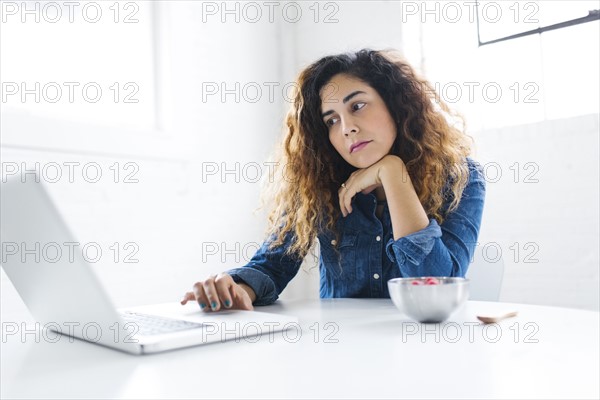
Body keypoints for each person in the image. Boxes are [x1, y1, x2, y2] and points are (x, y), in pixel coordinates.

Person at [181, 48, 486, 312]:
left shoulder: (460, 178)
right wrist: (235, 290)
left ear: (395, 105)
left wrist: (393, 173)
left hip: (427, 348)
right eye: (332, 120)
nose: (347, 128)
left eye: (357, 106)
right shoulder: (318, 184)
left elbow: (434, 292)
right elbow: (272, 266)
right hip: (340, 348)